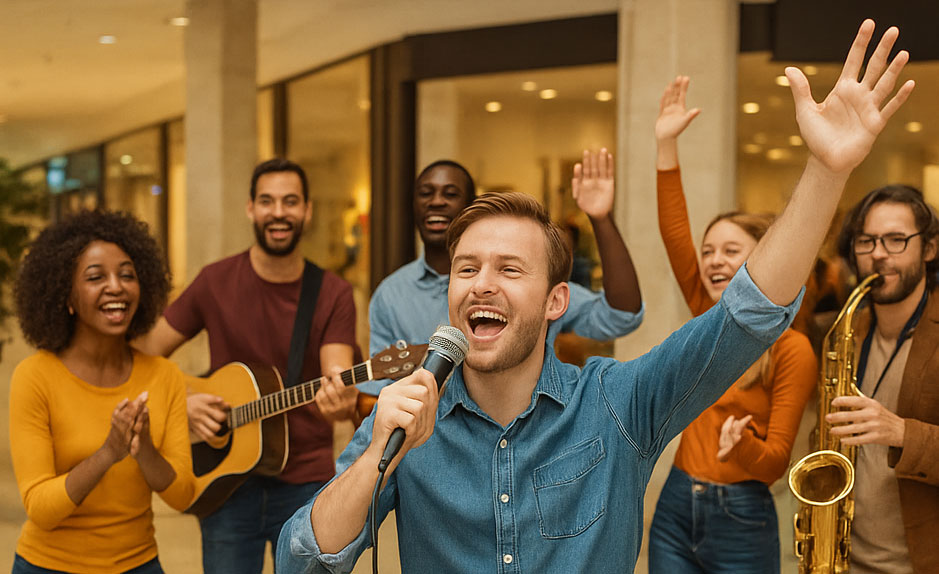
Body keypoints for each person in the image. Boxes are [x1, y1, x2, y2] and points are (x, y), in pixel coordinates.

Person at [276, 20, 913, 573]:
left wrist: (827, 172)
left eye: (509, 268)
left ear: (558, 301)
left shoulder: (616, 403)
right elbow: (299, 558)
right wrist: (375, 461)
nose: (482, 282)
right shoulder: (407, 419)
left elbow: (746, 315)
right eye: (466, 268)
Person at [132, 159, 358, 574]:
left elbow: (337, 370)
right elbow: (142, 354)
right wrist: (184, 397)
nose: (278, 212)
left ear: (307, 211)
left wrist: (340, 400)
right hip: (226, 483)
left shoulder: (332, 293)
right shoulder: (214, 282)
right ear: (250, 208)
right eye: (267, 201)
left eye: (290, 202)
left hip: (307, 483)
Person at [647, 76, 817, 573]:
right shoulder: (707, 313)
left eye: (730, 251)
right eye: (708, 252)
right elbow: (674, 231)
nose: (713, 262)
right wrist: (665, 144)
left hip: (742, 516)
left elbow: (775, 466)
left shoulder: (792, 350)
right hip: (676, 504)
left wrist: (741, 445)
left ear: (763, 259)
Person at [9, 210, 194, 574]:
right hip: (47, 566)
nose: (116, 286)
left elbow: (182, 494)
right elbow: (40, 508)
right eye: (96, 277)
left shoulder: (163, 375)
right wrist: (109, 452)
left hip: (138, 564)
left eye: (127, 274)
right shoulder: (34, 376)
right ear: (67, 296)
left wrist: (145, 449)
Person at [366, 152, 643, 361]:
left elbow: (619, 317)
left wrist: (601, 219)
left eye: (450, 193)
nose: (436, 201)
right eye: (425, 193)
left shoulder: (530, 286)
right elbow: (379, 395)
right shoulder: (391, 295)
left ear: (470, 206)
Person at [825, 184, 939, 573]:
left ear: (929, 249)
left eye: (895, 240)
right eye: (867, 241)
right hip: (844, 559)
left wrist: (902, 432)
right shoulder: (848, 330)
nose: (878, 254)